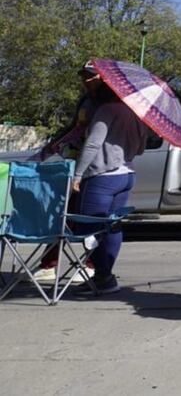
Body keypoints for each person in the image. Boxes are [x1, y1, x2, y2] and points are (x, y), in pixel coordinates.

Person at [73, 76, 148, 295]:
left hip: (102, 175)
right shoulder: (137, 115)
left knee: (88, 226)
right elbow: (141, 149)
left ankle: (104, 277)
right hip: (126, 174)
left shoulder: (106, 110)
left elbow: (94, 143)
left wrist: (78, 174)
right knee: (113, 225)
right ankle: (103, 276)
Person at [34, 62, 103, 284]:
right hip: (74, 164)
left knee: (89, 218)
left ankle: (91, 265)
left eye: (90, 77)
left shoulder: (108, 103)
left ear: (101, 78)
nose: (86, 80)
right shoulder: (85, 100)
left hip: (96, 168)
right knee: (63, 213)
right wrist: (55, 143)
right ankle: (49, 263)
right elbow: (75, 126)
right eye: (84, 76)